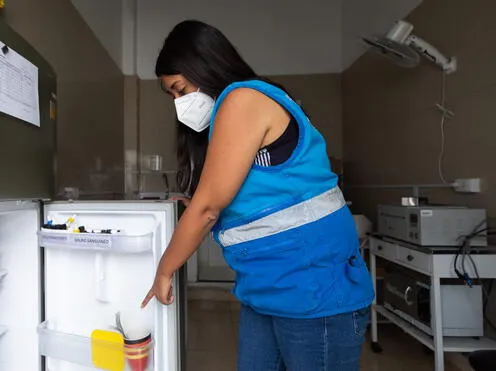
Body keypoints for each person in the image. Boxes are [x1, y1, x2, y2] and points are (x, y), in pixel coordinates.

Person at [141, 20, 374, 371]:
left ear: (204, 67)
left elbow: (208, 208)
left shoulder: (243, 99)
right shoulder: (235, 109)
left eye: (181, 89)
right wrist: (197, 207)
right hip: (266, 289)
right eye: (171, 95)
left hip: (313, 288)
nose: (178, 103)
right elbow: (256, 194)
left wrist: (164, 269)